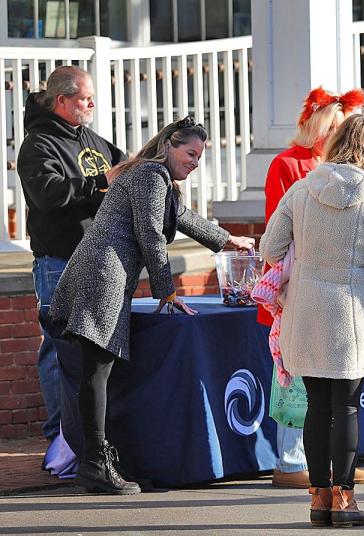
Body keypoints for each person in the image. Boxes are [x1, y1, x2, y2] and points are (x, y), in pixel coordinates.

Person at [47, 116, 255, 494]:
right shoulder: (150, 177)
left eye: (199, 157)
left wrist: (228, 240)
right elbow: (150, 237)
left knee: (99, 370)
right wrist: (167, 291)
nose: (195, 162)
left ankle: (99, 459)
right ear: (169, 146)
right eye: (190, 153)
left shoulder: (157, 180)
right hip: (102, 276)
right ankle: (96, 464)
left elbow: (183, 217)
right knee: (97, 370)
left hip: (105, 273)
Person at [260, 114, 364, 528]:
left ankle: (318, 498)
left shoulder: (300, 190)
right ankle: (344, 499)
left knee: (317, 406)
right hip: (349, 317)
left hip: (305, 314)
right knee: (346, 408)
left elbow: (270, 247)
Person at [257, 86, 364, 489]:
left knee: (332, 394)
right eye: (334, 127)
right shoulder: (288, 165)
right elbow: (276, 236)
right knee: (297, 384)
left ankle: (329, 467)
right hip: (297, 288)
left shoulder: (339, 173)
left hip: (330, 292)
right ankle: (292, 462)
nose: (338, 135)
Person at [17, 65, 127, 441]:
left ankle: (89, 434)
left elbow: (123, 169)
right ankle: (60, 436)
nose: (92, 103)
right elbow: (49, 194)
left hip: (99, 260)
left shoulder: (92, 139)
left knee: (94, 350)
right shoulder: (38, 144)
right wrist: (99, 184)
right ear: (62, 100)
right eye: (84, 98)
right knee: (60, 349)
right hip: (59, 261)